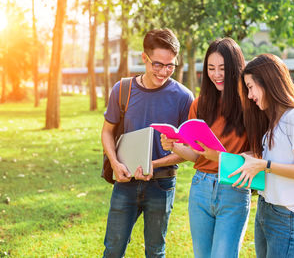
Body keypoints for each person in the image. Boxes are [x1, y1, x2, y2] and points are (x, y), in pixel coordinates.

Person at [101, 28, 194, 258]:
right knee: (112, 250)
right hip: (126, 181)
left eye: (170, 65)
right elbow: (107, 132)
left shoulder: (184, 98)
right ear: (144, 58)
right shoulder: (122, 90)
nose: (164, 72)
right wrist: (114, 163)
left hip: (161, 186)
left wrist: (154, 163)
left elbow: (189, 150)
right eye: (157, 64)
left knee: (155, 252)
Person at [160, 38, 250, 258]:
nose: (216, 74)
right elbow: (196, 154)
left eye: (222, 68)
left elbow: (256, 154)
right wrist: (175, 146)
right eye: (211, 68)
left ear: (236, 68)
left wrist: (219, 156)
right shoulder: (200, 103)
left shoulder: (249, 103)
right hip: (200, 187)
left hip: (233, 186)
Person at [232, 53, 294, 258]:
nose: (250, 95)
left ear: (268, 82)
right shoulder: (274, 120)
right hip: (266, 209)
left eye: (251, 87)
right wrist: (252, 159)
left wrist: (265, 165)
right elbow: (277, 158)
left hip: (287, 216)